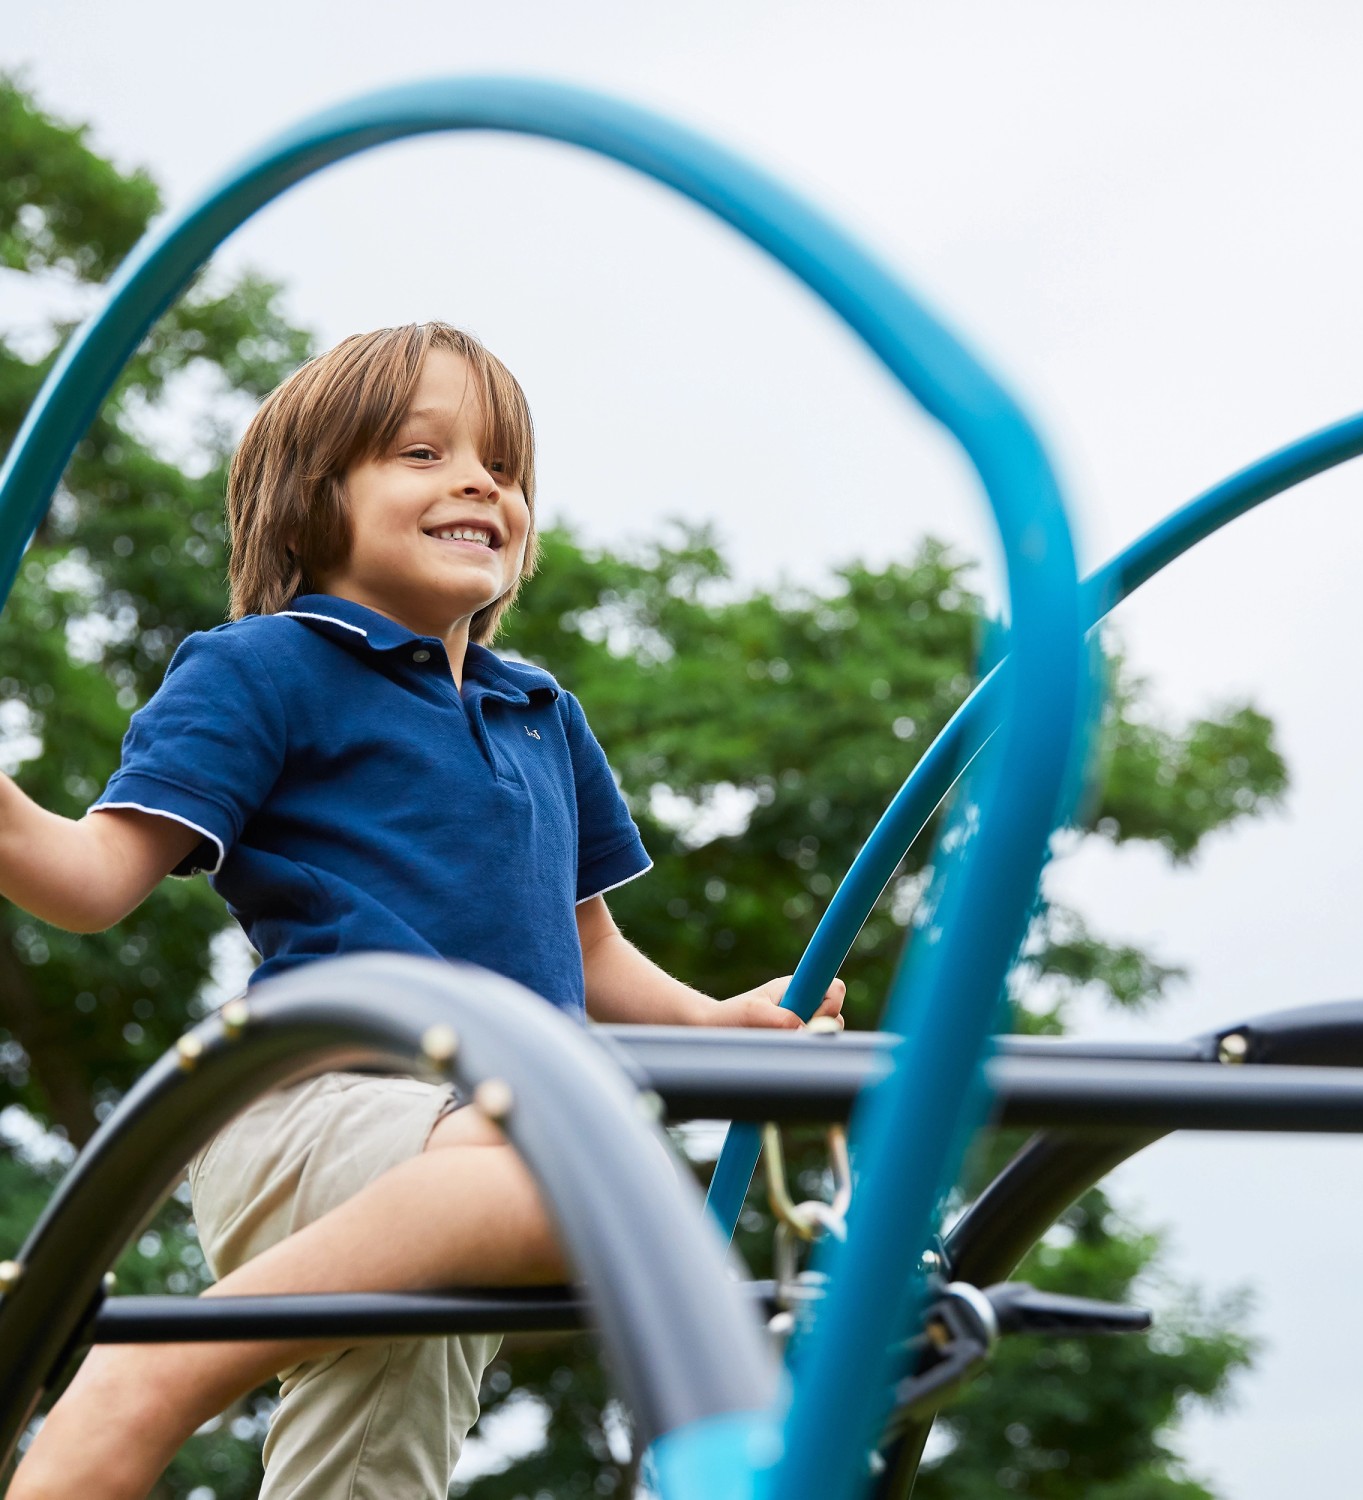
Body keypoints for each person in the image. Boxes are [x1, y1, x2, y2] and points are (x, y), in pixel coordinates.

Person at [4, 322, 844, 1500]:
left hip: (479, 1135)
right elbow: (90, 879)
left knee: (377, 1470)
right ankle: (140, 1379)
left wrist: (715, 1024)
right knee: (590, 1170)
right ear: (312, 500)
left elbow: (590, 949)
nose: (477, 482)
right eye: (419, 451)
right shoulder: (266, 664)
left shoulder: (538, 708)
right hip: (322, 1112)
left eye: (502, 465)